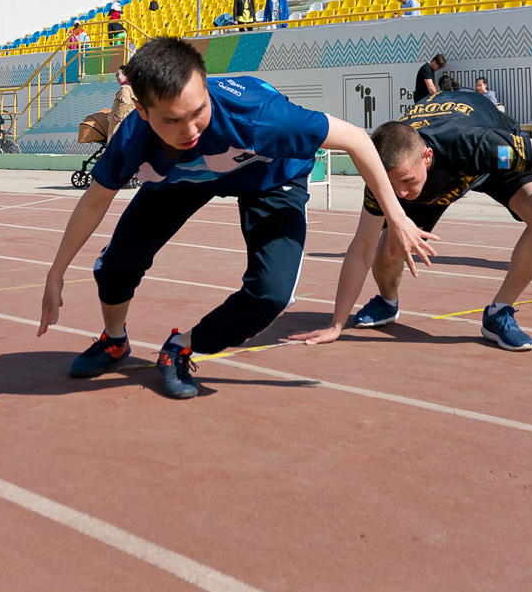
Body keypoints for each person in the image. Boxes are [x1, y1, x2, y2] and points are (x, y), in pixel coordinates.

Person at [41, 36, 433, 400]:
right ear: (142, 111)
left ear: (206, 87)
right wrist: (56, 271)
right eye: (172, 121)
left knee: (271, 294)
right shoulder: (133, 136)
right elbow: (94, 202)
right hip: (183, 180)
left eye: (198, 112)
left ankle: (181, 347)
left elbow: (357, 139)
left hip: (268, 175)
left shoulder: (261, 115)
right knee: (115, 268)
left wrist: (395, 216)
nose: (190, 130)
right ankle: (114, 341)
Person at [298, 88, 532, 352]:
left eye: (406, 183)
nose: (401, 195)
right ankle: (387, 301)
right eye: (391, 187)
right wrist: (336, 323)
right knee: (388, 248)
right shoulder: (387, 179)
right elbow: (360, 249)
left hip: (483, 163)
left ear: (426, 157)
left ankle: (499, 312)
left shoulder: (480, 145)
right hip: (438, 170)